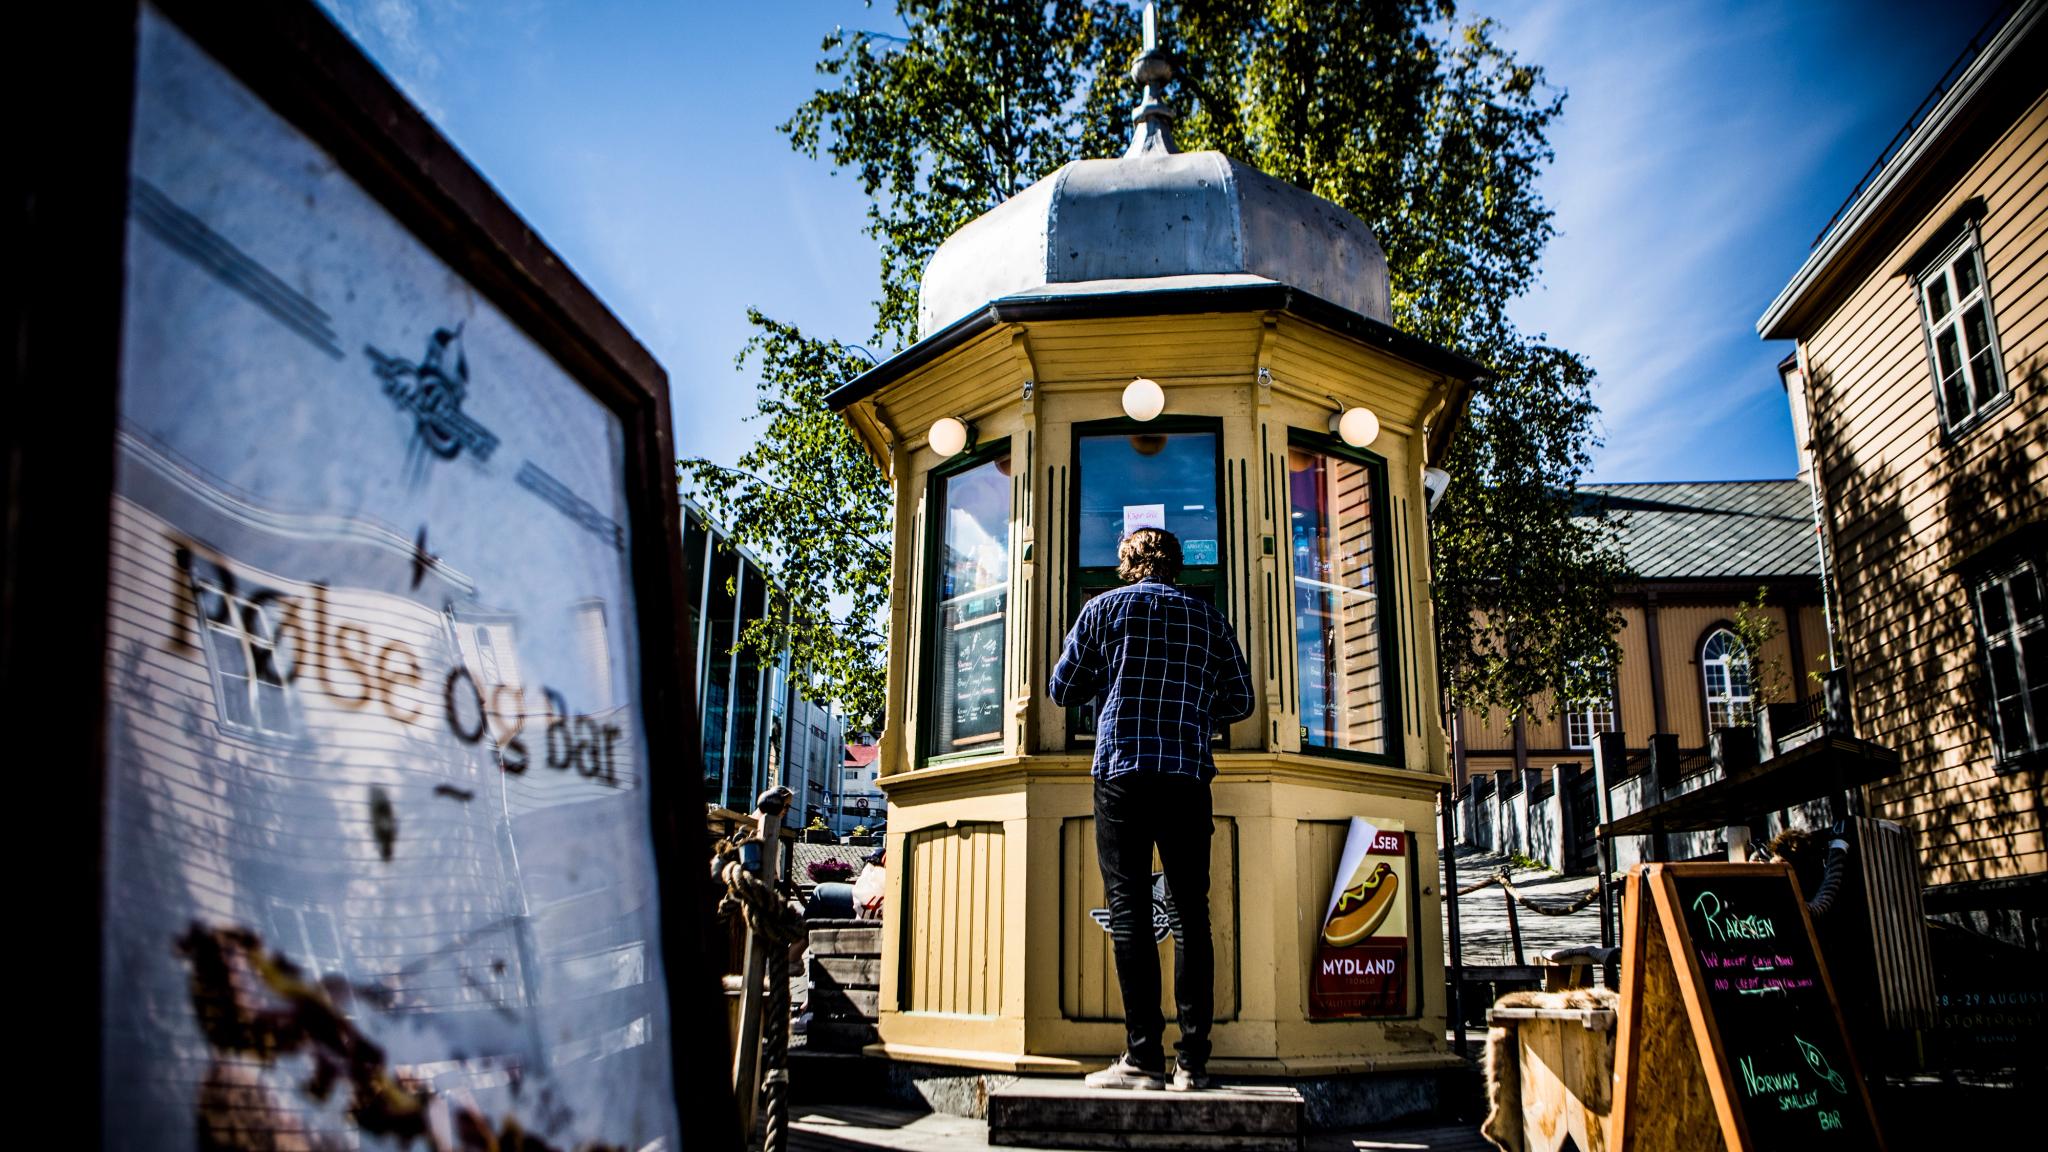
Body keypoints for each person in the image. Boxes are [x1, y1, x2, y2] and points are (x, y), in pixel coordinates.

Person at [1050, 527, 1255, 1091]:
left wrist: (1108, 678)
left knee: (1130, 913)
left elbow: (1062, 689)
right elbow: (1242, 699)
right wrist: (1195, 703)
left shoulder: (1103, 611)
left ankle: (1142, 1058)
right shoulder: (1207, 617)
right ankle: (1193, 1063)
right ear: (1176, 565)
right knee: (1191, 915)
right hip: (1186, 773)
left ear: (1127, 562)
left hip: (1121, 773)